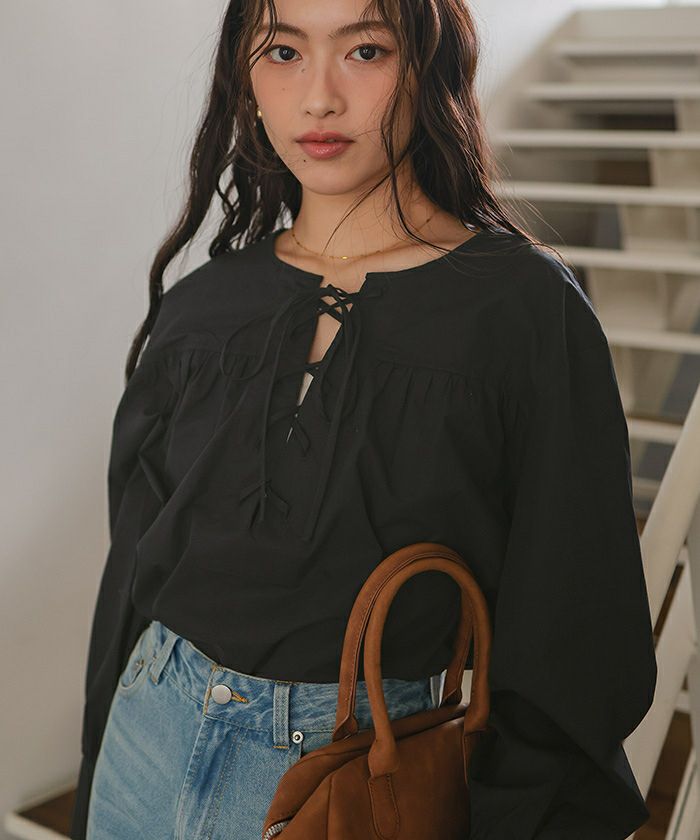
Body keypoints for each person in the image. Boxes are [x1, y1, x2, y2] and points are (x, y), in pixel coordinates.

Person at [70, 1, 658, 838]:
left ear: (428, 68)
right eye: (282, 52)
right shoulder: (203, 306)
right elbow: (131, 573)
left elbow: (574, 628)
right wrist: (98, 768)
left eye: (366, 51)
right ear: (244, 78)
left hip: (362, 772)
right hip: (145, 745)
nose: (319, 97)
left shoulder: (522, 310)